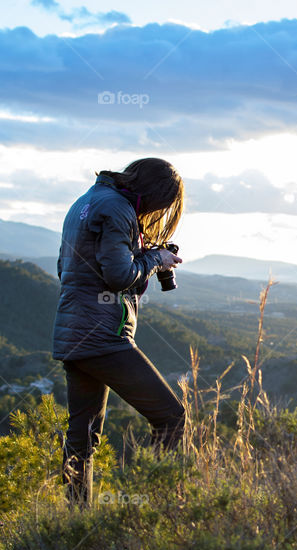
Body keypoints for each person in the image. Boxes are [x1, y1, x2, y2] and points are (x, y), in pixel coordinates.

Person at [52, 157, 185, 505]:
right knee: (171, 417)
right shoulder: (119, 208)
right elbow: (119, 276)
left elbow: (65, 267)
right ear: (155, 194)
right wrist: (156, 260)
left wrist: (140, 252)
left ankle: (76, 519)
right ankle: (151, 506)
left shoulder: (87, 201)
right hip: (103, 338)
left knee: (82, 435)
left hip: (72, 334)